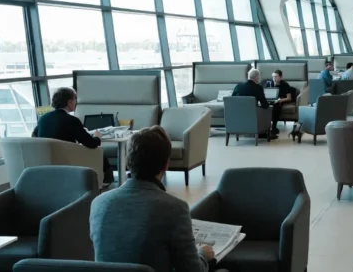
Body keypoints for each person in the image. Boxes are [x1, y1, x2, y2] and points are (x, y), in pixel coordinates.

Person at [90, 126, 214, 272]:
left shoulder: (98, 203)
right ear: (166, 165)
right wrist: (202, 254)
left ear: (128, 161)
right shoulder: (174, 208)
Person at [32, 87, 111, 185]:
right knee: (100, 152)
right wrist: (97, 137)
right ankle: (105, 182)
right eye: (75, 100)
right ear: (69, 102)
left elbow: (35, 136)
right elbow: (91, 144)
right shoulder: (72, 120)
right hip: (69, 160)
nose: (75, 103)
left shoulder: (43, 119)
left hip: (47, 161)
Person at [232, 68, 275, 140]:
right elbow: (264, 104)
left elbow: (232, 99)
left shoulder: (238, 86)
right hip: (252, 115)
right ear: (257, 78)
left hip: (238, 114)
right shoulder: (258, 88)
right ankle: (263, 132)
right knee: (268, 108)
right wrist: (269, 104)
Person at [264, 70, 297, 136]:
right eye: (273, 76)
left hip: (280, 100)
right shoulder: (269, 84)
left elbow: (289, 98)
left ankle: (273, 128)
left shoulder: (285, 85)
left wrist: (280, 100)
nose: (274, 78)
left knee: (276, 107)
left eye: (276, 76)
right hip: (269, 100)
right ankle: (264, 128)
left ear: (281, 77)